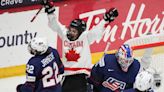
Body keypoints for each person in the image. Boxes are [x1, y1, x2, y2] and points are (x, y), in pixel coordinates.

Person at [41, 0, 119, 92]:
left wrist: (106, 19)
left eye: (74, 31)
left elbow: (97, 30)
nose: (70, 32)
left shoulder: (85, 37)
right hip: (67, 76)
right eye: (70, 29)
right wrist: (50, 10)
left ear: (80, 32)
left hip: (82, 75)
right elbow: (55, 24)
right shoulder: (65, 34)